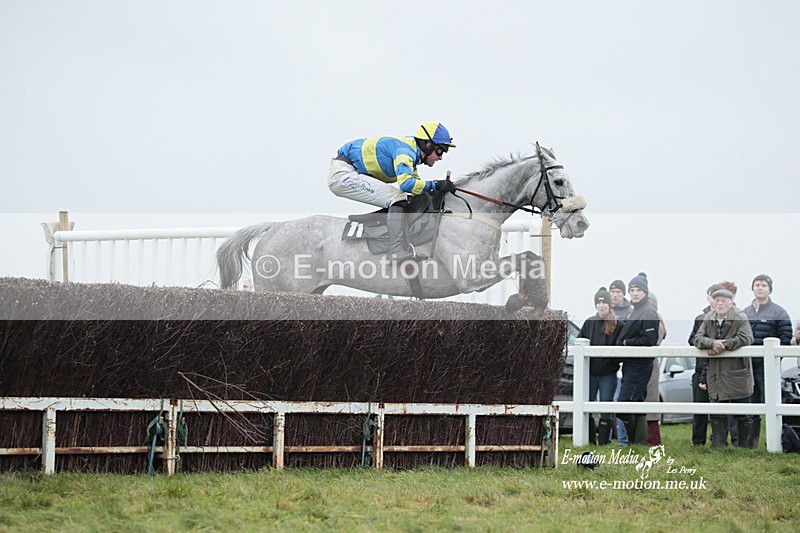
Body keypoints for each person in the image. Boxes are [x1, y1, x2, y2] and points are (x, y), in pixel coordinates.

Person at [328, 122, 457, 263]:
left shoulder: (411, 153)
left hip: (350, 171)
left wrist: (437, 188)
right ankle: (395, 251)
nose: (441, 157)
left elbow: (417, 189)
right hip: (343, 175)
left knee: (405, 198)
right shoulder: (405, 151)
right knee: (397, 197)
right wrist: (436, 184)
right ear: (428, 145)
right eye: (440, 151)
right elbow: (406, 184)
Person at [692, 288, 755, 448]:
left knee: (743, 413)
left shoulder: (740, 317)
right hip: (716, 374)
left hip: (738, 372)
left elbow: (747, 337)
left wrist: (723, 345)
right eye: (717, 300)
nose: (720, 304)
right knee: (717, 411)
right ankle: (719, 446)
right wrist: (711, 343)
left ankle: (744, 447)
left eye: (723, 301)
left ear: (731, 302)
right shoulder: (709, 317)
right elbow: (697, 338)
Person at [742, 274, 793, 448]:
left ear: (770, 289)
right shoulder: (745, 313)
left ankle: (777, 442)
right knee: (751, 406)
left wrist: (773, 361)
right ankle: (751, 444)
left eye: (763, 285)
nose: (760, 288)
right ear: (752, 288)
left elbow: (785, 337)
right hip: (748, 367)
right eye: (757, 285)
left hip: (767, 368)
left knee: (773, 405)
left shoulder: (779, 312)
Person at [689, 281, 740, 446]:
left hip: (722, 370)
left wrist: (719, 345)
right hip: (701, 367)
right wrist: (710, 343)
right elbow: (692, 339)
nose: (714, 300)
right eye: (712, 296)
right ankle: (698, 442)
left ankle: (725, 441)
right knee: (700, 407)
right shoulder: (700, 318)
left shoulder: (734, 318)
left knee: (725, 407)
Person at [616, 272, 660, 445]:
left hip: (640, 366)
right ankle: (637, 443)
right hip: (631, 365)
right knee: (635, 403)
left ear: (645, 292)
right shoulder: (637, 310)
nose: (634, 293)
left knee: (625, 405)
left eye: (638, 290)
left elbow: (650, 340)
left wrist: (626, 342)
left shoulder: (648, 311)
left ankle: (637, 441)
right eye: (632, 290)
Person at [579, 287, 622, 445]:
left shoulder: (618, 325)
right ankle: (589, 440)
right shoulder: (589, 323)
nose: (601, 305)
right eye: (598, 302)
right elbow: (579, 342)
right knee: (587, 404)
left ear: (609, 305)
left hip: (608, 374)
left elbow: (620, 347)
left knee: (605, 406)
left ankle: (604, 441)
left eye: (604, 302)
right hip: (590, 373)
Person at [609, 278, 633, 445]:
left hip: (624, 366)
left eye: (618, 292)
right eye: (613, 292)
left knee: (620, 403)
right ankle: (607, 438)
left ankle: (623, 441)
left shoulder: (630, 311)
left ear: (623, 294)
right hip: (607, 366)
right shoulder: (604, 310)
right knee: (604, 403)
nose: (615, 295)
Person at [644, 293, 668, 445]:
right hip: (647, 365)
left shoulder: (656, 325)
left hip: (651, 366)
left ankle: (653, 438)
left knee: (651, 400)